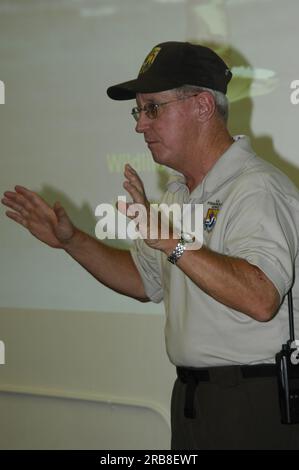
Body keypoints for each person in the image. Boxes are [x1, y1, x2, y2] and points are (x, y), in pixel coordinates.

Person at [2, 41, 299, 449]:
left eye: (152, 108)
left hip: (252, 400)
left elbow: (262, 297)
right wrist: (71, 242)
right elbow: (145, 282)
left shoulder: (256, 188)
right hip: (193, 397)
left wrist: (172, 241)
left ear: (202, 106)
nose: (140, 125)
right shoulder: (177, 194)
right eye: (137, 111)